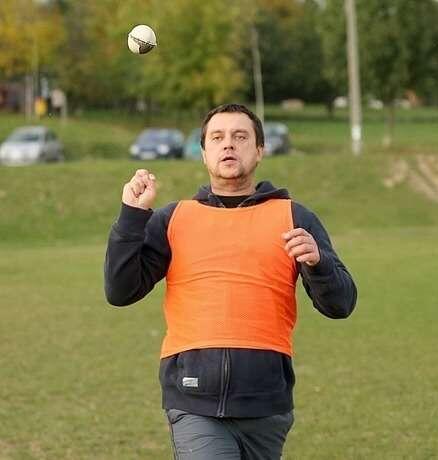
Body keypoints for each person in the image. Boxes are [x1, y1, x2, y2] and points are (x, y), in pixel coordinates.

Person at [104, 103, 357, 459]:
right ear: (203, 152)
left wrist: (319, 263)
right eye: (217, 137)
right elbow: (120, 290)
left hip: (267, 402)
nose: (228, 144)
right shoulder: (174, 218)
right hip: (193, 401)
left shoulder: (294, 216)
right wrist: (132, 215)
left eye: (240, 137)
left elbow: (341, 304)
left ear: (259, 150)